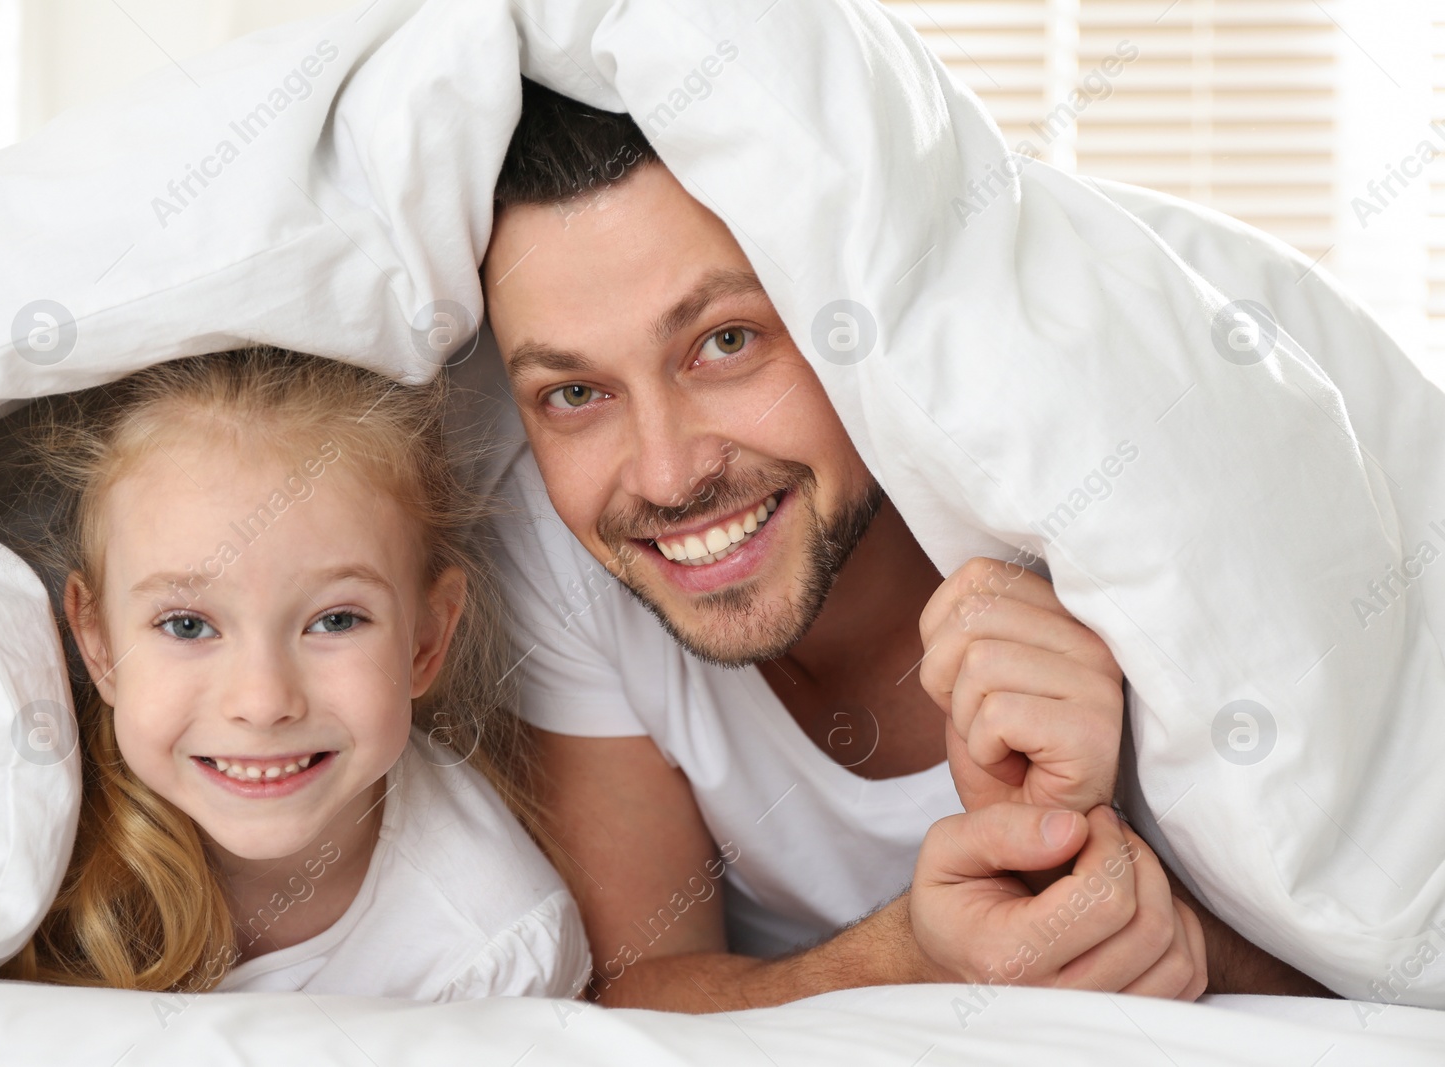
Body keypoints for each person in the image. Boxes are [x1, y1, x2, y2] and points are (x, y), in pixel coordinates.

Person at [478, 81, 1325, 1011]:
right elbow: (637, 984)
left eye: (726, 340)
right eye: (574, 393)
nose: (667, 476)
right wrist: (912, 956)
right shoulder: (557, 548)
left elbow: (1382, 954)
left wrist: (1167, 931)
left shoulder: (1109, 505)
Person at [0, 347, 590, 998]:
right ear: (100, 646)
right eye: (188, 625)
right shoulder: (13, 833)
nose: (263, 700)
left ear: (426, 639)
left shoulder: (494, 951)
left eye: (335, 621)